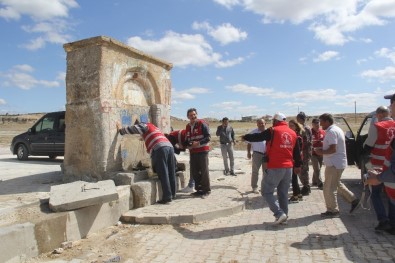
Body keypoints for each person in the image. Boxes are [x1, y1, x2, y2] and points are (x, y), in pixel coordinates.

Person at [242, 113, 302, 225]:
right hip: (288, 167)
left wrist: (245, 137)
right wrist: (298, 165)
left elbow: (258, 137)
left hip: (275, 166)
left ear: (275, 121)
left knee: (266, 191)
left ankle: (279, 214)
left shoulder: (273, 130)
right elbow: (297, 152)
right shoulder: (293, 133)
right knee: (283, 193)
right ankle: (284, 217)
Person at [116, 120, 176, 204]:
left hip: (160, 148)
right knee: (171, 171)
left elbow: (134, 129)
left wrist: (121, 130)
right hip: (169, 147)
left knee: (163, 172)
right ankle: (173, 194)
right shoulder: (155, 128)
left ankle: (167, 196)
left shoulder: (144, 125)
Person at [315, 113, 360, 217]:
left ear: (327, 121)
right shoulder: (336, 129)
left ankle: (333, 210)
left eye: (321, 122)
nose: (321, 125)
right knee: (336, 183)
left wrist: (320, 152)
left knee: (329, 188)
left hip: (334, 164)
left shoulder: (331, 132)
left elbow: (333, 149)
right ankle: (353, 199)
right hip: (337, 163)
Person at [364, 102, 395, 233]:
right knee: (391, 195)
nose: (376, 117)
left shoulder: (377, 126)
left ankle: (383, 221)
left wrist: (364, 157)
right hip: (390, 165)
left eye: (377, 115)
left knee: (375, 193)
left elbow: (368, 144)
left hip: (377, 164)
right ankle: (392, 223)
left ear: (381, 114)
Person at [184, 108, 211, 198]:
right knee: (194, 171)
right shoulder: (187, 126)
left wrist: (198, 143)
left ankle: (206, 190)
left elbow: (208, 137)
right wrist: (188, 145)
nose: (193, 116)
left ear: (196, 115)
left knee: (204, 171)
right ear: (188, 117)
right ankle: (199, 190)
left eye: (194, 114)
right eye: (191, 115)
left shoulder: (202, 123)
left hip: (203, 151)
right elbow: (188, 139)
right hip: (193, 152)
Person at [246, 118, 267, 194]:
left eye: (262, 123)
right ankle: (254, 187)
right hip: (256, 154)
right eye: (259, 123)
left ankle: (264, 187)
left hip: (266, 155)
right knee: (255, 171)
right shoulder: (253, 133)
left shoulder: (269, 132)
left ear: (265, 124)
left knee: (266, 172)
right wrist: (248, 152)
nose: (261, 124)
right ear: (257, 124)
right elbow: (249, 143)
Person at [288, 119, 304, 203]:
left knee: (294, 178)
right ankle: (298, 194)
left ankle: (295, 195)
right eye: (289, 126)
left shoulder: (297, 136)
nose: (290, 127)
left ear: (296, 127)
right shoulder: (293, 135)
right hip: (293, 160)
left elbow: (298, 151)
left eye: (292, 126)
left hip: (296, 160)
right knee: (294, 178)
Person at [296, 112, 312, 196]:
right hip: (303, 152)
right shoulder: (302, 127)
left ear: (300, 119)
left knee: (304, 170)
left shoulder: (305, 128)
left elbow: (307, 141)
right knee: (301, 170)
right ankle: (305, 186)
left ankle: (306, 187)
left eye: (297, 119)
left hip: (305, 152)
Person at [311, 118, 325, 190]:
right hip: (313, 153)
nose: (317, 126)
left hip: (321, 153)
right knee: (317, 168)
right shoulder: (310, 132)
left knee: (318, 168)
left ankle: (314, 181)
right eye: (315, 124)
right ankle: (320, 183)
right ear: (312, 124)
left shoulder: (322, 132)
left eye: (318, 124)